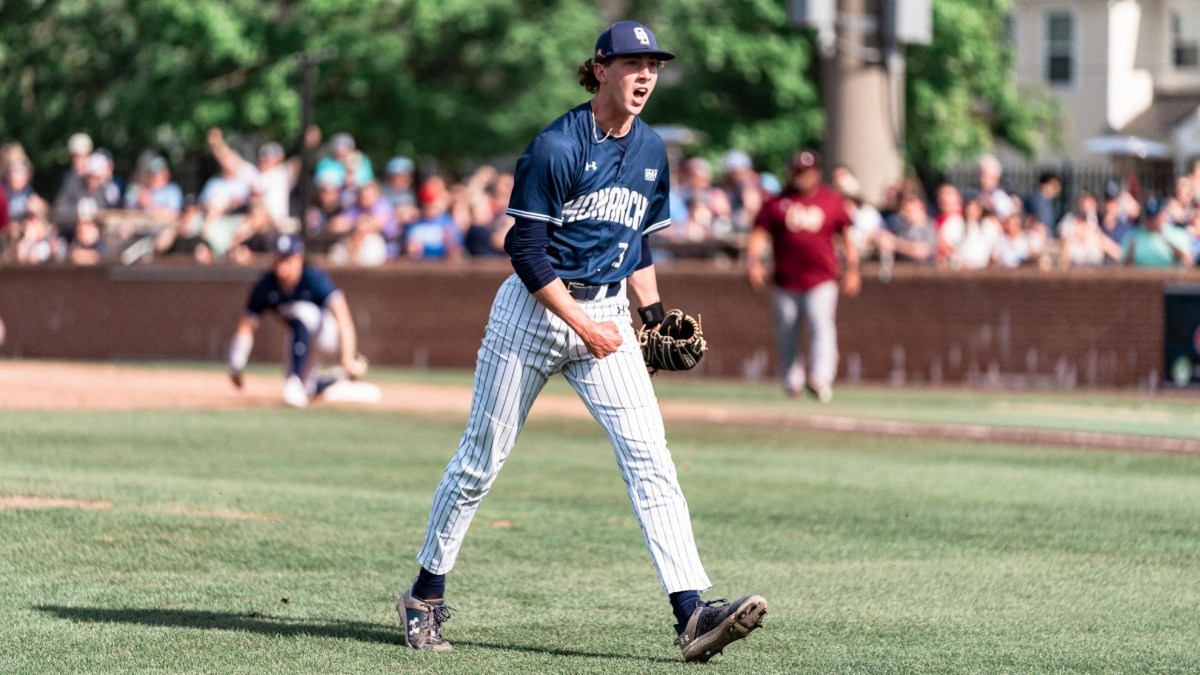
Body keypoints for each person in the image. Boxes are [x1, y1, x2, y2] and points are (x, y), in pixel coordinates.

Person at [396, 20, 767, 664]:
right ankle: (425, 594)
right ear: (599, 69)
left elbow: (639, 240)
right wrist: (583, 324)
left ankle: (691, 612)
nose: (644, 74)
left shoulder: (652, 149)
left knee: (651, 458)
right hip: (533, 317)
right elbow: (525, 251)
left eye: (651, 64)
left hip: (608, 316)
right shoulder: (555, 146)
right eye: (630, 63)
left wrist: (649, 315)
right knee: (481, 462)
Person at [747, 148, 860, 402]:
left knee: (822, 325)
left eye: (808, 172)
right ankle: (792, 379)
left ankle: (821, 378)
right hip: (785, 280)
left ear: (817, 173)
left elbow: (847, 237)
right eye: (799, 172)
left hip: (822, 278)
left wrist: (853, 269)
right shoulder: (776, 203)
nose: (804, 178)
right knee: (787, 330)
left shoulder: (831, 200)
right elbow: (759, 235)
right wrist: (754, 262)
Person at [227, 233, 377, 408]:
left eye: (287, 258)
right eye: (279, 258)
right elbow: (246, 326)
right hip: (299, 338)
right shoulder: (266, 285)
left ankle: (296, 378)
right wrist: (236, 364)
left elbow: (343, 318)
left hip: (327, 334)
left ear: (298, 258)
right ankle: (335, 380)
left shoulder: (314, 278)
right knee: (303, 393)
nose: (282, 264)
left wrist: (347, 357)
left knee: (304, 312)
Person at [1122, 197, 1194, 267]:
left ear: (1163, 214)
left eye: (1157, 215)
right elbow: (1125, 267)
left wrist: (1166, 240)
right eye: (1151, 216)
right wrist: (1130, 254)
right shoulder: (1133, 236)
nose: (1154, 219)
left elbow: (1188, 261)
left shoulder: (1178, 234)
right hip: (1141, 277)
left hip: (1171, 277)